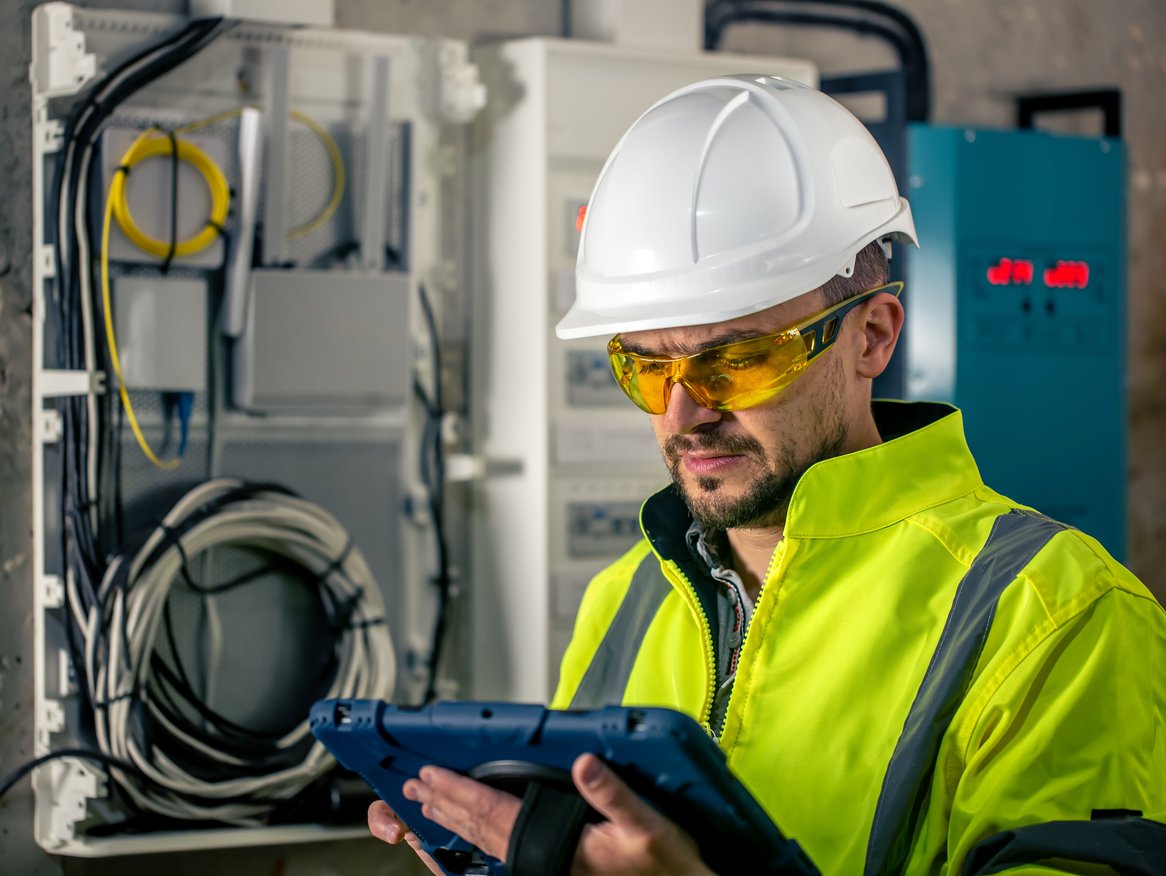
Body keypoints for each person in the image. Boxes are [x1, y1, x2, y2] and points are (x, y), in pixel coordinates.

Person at [369, 75, 1166, 874]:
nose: (682, 416)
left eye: (739, 361)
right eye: (647, 369)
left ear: (872, 336)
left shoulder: (1057, 616)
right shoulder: (628, 596)